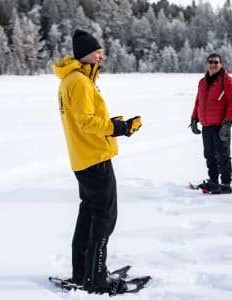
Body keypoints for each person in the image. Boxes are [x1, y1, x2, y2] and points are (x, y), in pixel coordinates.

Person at [53, 29, 142, 295]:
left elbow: (85, 119)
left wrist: (113, 124)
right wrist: (120, 128)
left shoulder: (70, 80)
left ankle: (83, 271)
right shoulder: (79, 81)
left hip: (83, 157)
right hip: (94, 157)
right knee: (105, 217)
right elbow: (86, 121)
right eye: (96, 51)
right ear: (84, 55)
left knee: (89, 214)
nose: (101, 55)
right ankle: (96, 276)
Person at [190, 53, 232, 194]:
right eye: (210, 62)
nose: (213, 65)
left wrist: (227, 123)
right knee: (209, 155)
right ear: (207, 64)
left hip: (220, 125)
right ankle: (213, 181)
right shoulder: (202, 82)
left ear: (221, 64)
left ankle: (225, 182)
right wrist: (194, 119)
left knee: (223, 155)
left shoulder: (227, 80)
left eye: (216, 62)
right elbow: (198, 102)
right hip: (206, 125)